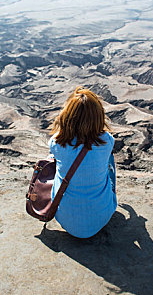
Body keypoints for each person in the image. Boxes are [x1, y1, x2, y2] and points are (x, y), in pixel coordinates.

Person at [49, 86, 117, 238]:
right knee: (108, 161)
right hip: (102, 217)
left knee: (55, 163)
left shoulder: (55, 142)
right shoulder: (107, 141)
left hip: (65, 218)